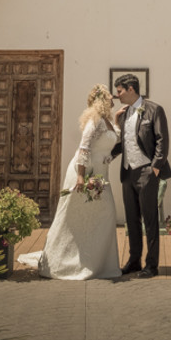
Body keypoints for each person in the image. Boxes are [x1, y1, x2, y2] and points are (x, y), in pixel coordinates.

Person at [18, 83, 121, 280]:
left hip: (101, 174)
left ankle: (98, 264)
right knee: (74, 218)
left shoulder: (107, 120)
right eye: (109, 96)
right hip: (86, 173)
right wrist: (82, 177)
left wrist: (116, 121)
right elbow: (84, 148)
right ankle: (65, 262)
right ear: (101, 100)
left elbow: (111, 142)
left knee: (103, 217)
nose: (112, 98)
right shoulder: (95, 121)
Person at [111, 73, 171, 278]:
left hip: (147, 171)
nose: (117, 95)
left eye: (119, 91)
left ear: (131, 89)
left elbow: (162, 140)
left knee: (150, 220)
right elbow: (123, 142)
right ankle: (134, 261)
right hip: (128, 173)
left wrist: (155, 168)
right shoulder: (124, 113)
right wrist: (104, 156)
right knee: (131, 219)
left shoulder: (154, 110)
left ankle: (152, 265)